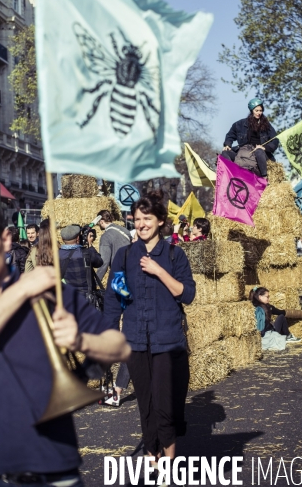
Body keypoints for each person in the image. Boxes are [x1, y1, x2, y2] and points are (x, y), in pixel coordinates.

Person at [0, 199, 130, 486]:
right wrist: (21, 291)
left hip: (55, 464)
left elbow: (119, 345)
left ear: (5, 239)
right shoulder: (17, 290)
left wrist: (81, 340)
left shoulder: (51, 293)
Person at [104, 190, 195, 474]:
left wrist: (158, 270)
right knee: (146, 404)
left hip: (167, 341)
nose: (141, 224)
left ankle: (169, 462)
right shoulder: (124, 255)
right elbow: (115, 297)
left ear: (160, 222)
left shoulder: (173, 254)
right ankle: (151, 456)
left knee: (165, 407)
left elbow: (187, 294)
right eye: (137, 218)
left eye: (147, 218)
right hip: (135, 341)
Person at [221, 98, 279, 179]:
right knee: (224, 153)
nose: (259, 113)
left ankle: (264, 177)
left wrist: (264, 147)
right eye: (257, 110)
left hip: (260, 154)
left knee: (259, 151)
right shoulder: (239, 124)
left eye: (261, 110)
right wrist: (227, 144)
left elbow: (275, 140)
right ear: (252, 110)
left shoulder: (267, 126)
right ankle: (232, 174)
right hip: (245, 153)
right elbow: (230, 135)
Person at [59, 225, 103, 293]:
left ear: (62, 239)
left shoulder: (56, 255)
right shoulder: (86, 253)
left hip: (67, 295)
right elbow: (99, 262)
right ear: (78, 238)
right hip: (86, 296)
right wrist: (90, 245)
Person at [96, 210, 131, 281]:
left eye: (98, 222)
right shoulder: (124, 230)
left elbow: (104, 262)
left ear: (101, 221)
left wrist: (95, 282)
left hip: (119, 274)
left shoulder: (106, 236)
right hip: (132, 269)